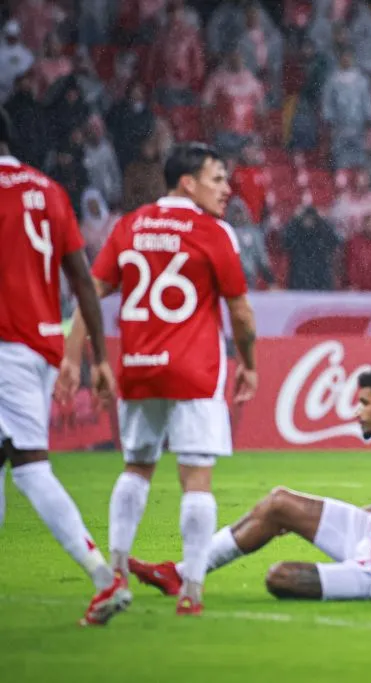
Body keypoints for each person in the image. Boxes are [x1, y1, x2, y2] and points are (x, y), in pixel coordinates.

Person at [60, 143, 260, 616]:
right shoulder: (214, 232)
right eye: (217, 178)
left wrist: (76, 359)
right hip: (194, 371)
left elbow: (89, 294)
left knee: (136, 467)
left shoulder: (129, 225)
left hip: (138, 367)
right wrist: (249, 362)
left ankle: (115, 573)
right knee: (196, 478)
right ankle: (191, 589)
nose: (226, 188)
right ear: (187, 182)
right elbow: (242, 313)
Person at [127, 366, 371, 602]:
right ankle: (182, 574)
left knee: (280, 577)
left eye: (365, 403)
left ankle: (185, 575)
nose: (358, 411)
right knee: (279, 503)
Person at [0, 108, 131, 625]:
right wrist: (98, 356)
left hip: (4, 346)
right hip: (39, 345)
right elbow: (82, 278)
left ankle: (104, 577)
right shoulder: (49, 190)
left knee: (31, 469)